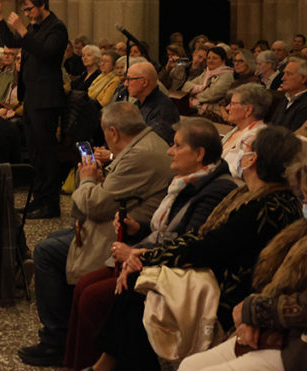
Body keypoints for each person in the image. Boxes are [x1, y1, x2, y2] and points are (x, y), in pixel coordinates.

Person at [89, 126, 303, 371]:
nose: (170, 152)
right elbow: (203, 240)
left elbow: (208, 247)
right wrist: (144, 251)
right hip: (215, 276)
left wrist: (148, 256)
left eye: (243, 150)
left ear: (253, 159)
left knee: (140, 291)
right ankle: (104, 366)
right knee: (135, 285)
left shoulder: (264, 206)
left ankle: (106, 367)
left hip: (230, 294)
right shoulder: (257, 196)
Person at [62, 118, 236, 369]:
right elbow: (166, 228)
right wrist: (138, 227)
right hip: (154, 253)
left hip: (178, 271)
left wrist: (137, 252)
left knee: (94, 296)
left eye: (177, 146)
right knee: (84, 284)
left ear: (199, 154)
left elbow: (189, 242)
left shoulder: (215, 189)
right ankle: (77, 363)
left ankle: (100, 364)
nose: (169, 151)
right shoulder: (190, 178)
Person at [17, 102, 173, 367]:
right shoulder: (147, 141)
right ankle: (63, 331)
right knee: (53, 242)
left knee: (46, 253)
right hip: (117, 222)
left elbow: (93, 204)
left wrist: (88, 178)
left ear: (112, 132)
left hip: (123, 234)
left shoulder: (139, 155)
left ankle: (55, 338)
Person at [178, 154, 307, 371]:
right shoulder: (296, 228)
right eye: (303, 197)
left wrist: (253, 312)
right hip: (275, 327)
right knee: (189, 364)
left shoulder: (263, 206)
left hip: (295, 347)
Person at [0, 0, 69, 219]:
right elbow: (13, 42)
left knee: (46, 153)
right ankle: (39, 198)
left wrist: (23, 29)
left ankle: (50, 204)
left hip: (47, 99)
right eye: (24, 10)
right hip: (33, 97)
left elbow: (46, 53)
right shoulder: (34, 28)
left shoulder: (57, 28)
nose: (27, 14)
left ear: (42, 4)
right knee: (35, 153)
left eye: (29, 9)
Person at [219, 83, 270, 177]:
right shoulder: (237, 129)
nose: (227, 108)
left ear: (248, 110)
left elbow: (238, 170)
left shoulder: (256, 136)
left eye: (232, 104)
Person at [125, 61, 180, 145]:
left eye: (129, 79)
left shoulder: (163, 109)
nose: (125, 84)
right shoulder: (138, 104)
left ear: (144, 82)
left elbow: (150, 144)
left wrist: (112, 156)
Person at [182, 46, 235, 115]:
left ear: (223, 60)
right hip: (196, 108)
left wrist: (193, 96)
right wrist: (201, 88)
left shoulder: (227, 75)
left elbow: (212, 94)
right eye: (208, 58)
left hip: (212, 112)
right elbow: (186, 86)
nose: (210, 61)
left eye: (215, 58)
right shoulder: (207, 72)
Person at [270, 55, 307, 131]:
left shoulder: (305, 104)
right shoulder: (285, 99)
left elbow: (293, 137)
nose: (283, 78)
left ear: (303, 79)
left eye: (289, 74)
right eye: (284, 74)